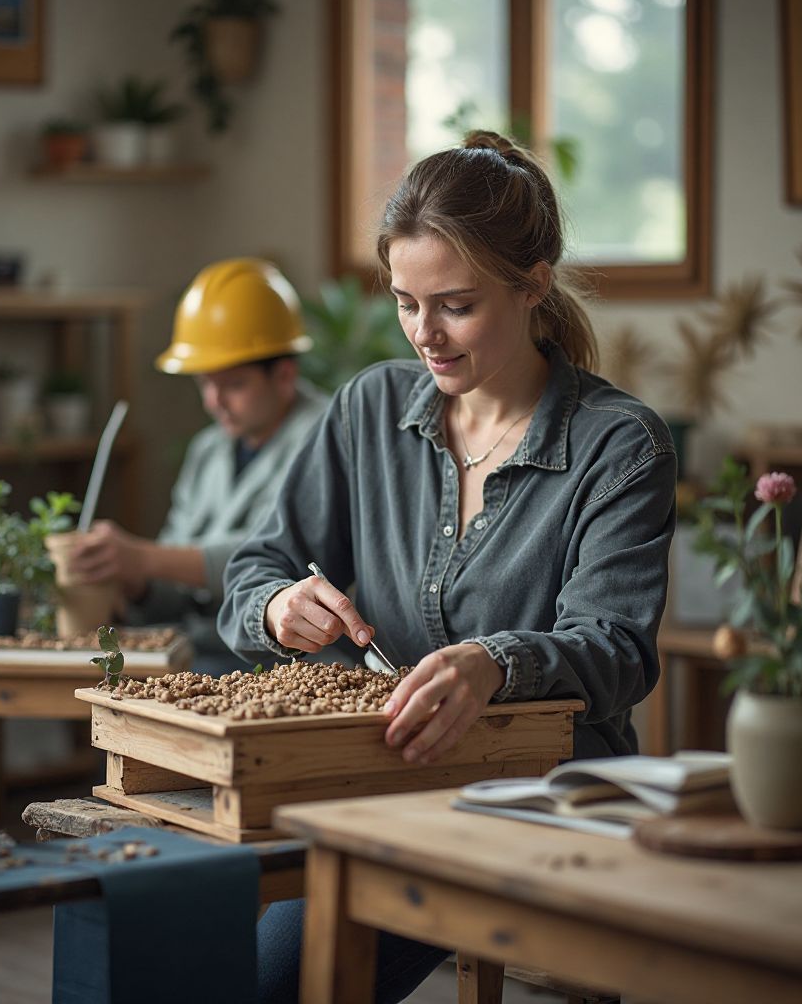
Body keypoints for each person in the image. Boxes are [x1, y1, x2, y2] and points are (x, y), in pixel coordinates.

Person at [217, 132, 677, 1002]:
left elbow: (617, 651)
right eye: (404, 302)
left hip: (549, 799)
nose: (424, 334)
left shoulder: (620, 446)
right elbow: (258, 565)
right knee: (262, 983)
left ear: (533, 281)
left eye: (455, 306)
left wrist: (497, 664)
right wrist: (278, 606)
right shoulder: (368, 410)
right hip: (382, 789)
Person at [69, 258, 328, 673]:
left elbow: (273, 559)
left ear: (283, 375)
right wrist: (136, 582)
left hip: (288, 665)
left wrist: (144, 558)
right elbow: (175, 588)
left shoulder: (329, 439)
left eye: (234, 384)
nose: (213, 401)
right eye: (205, 382)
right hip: (199, 654)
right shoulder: (209, 450)